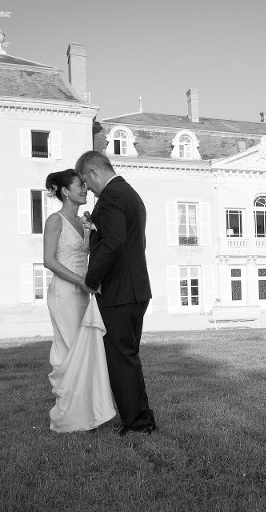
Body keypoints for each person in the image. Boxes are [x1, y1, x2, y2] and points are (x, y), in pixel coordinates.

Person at [75, 151, 156, 436]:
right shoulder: (130, 193)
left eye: (86, 182)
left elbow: (114, 244)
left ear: (94, 172)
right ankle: (142, 417)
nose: (87, 189)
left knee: (120, 358)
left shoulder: (110, 198)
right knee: (128, 356)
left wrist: (91, 279)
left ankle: (137, 424)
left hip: (119, 291)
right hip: (136, 287)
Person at [43, 169, 116, 432]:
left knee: (86, 349)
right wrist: (80, 281)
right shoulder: (55, 220)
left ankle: (87, 413)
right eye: (80, 186)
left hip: (85, 291)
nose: (85, 190)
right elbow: (49, 260)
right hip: (65, 292)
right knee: (70, 350)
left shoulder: (85, 221)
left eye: (85, 186)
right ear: (65, 191)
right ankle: (68, 416)